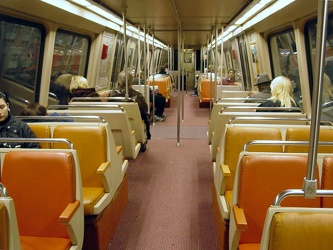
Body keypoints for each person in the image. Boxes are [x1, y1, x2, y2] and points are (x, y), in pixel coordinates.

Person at [110, 71, 151, 139]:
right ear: (132, 81)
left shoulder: (112, 95)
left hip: (116, 122)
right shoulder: (137, 95)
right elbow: (145, 109)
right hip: (134, 122)